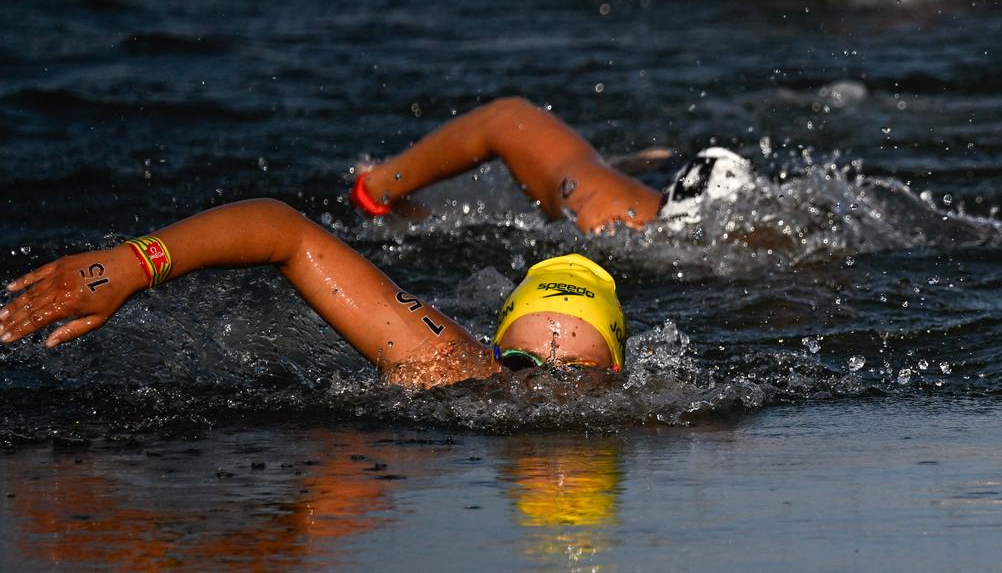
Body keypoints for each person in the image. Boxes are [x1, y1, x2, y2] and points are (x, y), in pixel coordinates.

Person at [0, 199, 625, 389]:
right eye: (522, 365)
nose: (548, 388)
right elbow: (286, 232)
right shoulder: (448, 367)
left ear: (621, 374)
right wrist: (135, 263)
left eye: (579, 374)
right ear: (492, 355)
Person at [351, 96, 757, 234]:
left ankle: (376, 189)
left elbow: (507, 118)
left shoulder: (611, 215)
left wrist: (384, 194)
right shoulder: (618, 206)